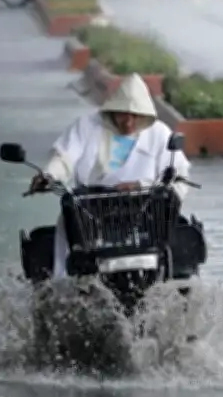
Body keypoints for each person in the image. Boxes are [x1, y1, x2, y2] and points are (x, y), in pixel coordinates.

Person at [28, 73, 191, 278]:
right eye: (123, 114)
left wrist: (141, 185)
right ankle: (63, 287)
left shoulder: (159, 134)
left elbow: (178, 174)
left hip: (145, 214)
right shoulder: (86, 126)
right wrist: (49, 176)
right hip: (91, 212)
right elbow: (65, 157)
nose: (128, 122)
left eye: (136, 115)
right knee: (67, 239)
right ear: (112, 110)